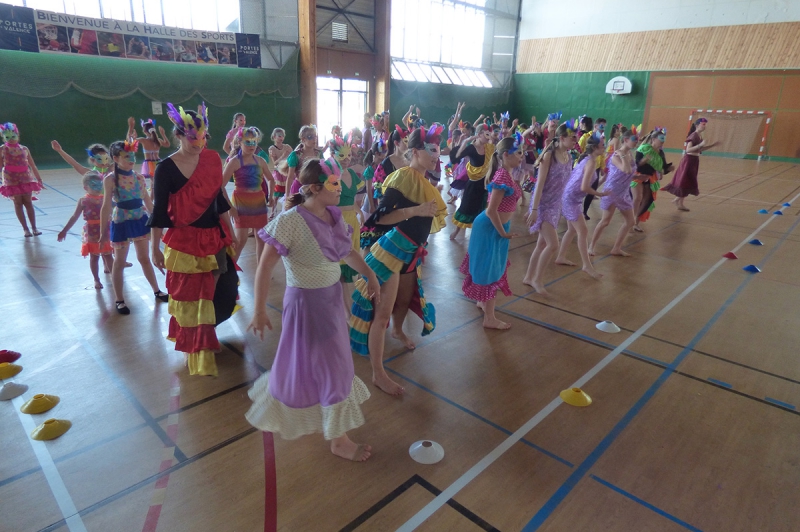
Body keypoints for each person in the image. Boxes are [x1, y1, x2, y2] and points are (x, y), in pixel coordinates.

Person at [246, 158, 380, 462]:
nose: (341, 188)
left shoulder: (334, 216)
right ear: (315, 188)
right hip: (306, 305)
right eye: (335, 183)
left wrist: (369, 274)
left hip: (330, 300)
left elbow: (347, 252)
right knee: (332, 365)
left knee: (326, 363)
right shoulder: (290, 220)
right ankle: (339, 439)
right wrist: (258, 310)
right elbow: (265, 267)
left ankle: (335, 430)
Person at [350, 126, 447, 395]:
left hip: (412, 252)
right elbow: (380, 218)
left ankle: (398, 331)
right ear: (415, 152)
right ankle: (378, 373)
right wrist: (416, 210)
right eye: (433, 151)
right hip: (393, 251)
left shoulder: (425, 180)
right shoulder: (402, 177)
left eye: (439, 151)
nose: (437, 156)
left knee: (404, 300)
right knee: (382, 314)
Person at [149, 103, 239, 377]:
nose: (199, 143)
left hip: (214, 237)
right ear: (178, 135)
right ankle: (198, 346)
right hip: (186, 243)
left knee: (218, 291)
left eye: (203, 138)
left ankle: (206, 335)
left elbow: (219, 199)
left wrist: (231, 230)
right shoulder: (165, 169)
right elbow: (159, 209)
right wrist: (155, 246)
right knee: (193, 297)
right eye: (192, 138)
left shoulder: (212, 160)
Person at [460, 135, 522, 329]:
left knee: (494, 267)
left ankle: (483, 304)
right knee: (490, 271)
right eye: (518, 152)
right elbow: (491, 210)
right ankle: (489, 318)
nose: (522, 156)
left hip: (498, 228)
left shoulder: (509, 174)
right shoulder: (503, 175)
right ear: (506, 155)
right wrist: (502, 233)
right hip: (490, 228)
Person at [99, 140, 168, 314]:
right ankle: (119, 299)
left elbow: (148, 202)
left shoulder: (138, 177)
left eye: (132, 155)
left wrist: (160, 224)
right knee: (119, 262)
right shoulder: (111, 179)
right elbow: (106, 205)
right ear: (115, 158)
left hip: (139, 219)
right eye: (126, 156)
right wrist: (102, 233)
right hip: (121, 221)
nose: (131, 159)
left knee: (144, 258)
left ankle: (156, 290)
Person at [522, 121, 577, 295]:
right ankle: (537, 279)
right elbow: (539, 184)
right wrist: (534, 209)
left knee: (542, 243)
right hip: (543, 204)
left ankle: (529, 277)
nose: (576, 140)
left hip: (556, 204)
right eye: (573, 137)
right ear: (562, 138)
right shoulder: (549, 156)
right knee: (553, 244)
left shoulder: (569, 156)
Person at [555, 132, 607, 279]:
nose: (605, 147)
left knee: (572, 230)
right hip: (571, 198)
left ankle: (561, 256)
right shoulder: (590, 162)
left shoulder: (589, 159)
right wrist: (600, 194)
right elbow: (584, 187)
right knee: (582, 231)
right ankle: (587, 265)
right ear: (596, 147)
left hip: (573, 198)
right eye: (603, 145)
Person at [57, 171, 114, 288]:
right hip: (92, 232)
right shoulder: (83, 201)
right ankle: (96, 279)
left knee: (108, 255)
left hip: (106, 230)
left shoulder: (106, 198)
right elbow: (74, 216)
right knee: (94, 257)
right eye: (94, 185)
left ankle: (115, 276)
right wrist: (64, 230)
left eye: (100, 185)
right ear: (85, 187)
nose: (98, 188)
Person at [224, 127, 272, 261]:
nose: (252, 145)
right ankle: (230, 271)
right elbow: (220, 186)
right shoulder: (234, 161)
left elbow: (271, 179)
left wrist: (271, 197)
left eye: (254, 141)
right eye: (248, 142)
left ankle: (261, 269)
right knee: (240, 240)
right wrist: (230, 207)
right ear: (240, 143)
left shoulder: (260, 160)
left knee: (261, 238)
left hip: (258, 202)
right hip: (241, 202)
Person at [589, 130, 638, 257]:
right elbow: (626, 170)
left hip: (624, 192)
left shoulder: (630, 154)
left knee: (630, 221)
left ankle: (616, 248)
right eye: (634, 139)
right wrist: (622, 154)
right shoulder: (616, 156)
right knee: (605, 221)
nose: (636, 141)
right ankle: (591, 246)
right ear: (626, 140)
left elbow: (631, 172)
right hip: (612, 192)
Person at [450, 124, 495, 240]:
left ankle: (481, 232)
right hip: (473, 184)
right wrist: (463, 142)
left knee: (484, 209)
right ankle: (456, 231)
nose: (489, 137)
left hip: (485, 184)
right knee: (466, 208)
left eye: (489, 134)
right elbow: (455, 158)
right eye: (486, 134)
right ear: (479, 134)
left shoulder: (489, 147)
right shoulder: (471, 148)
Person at [662, 118, 717, 211]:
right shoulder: (693, 135)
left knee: (688, 181)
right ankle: (678, 202)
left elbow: (699, 150)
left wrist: (712, 145)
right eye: (703, 124)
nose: (705, 126)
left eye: (705, 124)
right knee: (685, 180)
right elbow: (688, 150)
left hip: (694, 160)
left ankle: (678, 201)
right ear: (697, 125)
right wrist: (700, 145)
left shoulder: (699, 136)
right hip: (688, 161)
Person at [1, 123, 44, 237]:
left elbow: (32, 165)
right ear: (3, 137)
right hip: (11, 179)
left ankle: (34, 228)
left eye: (13, 136)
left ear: (18, 135)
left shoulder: (24, 149)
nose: (11, 139)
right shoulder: (3, 149)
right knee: (18, 203)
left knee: (28, 202)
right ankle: (25, 229)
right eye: (7, 137)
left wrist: (38, 178)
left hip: (25, 178)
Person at [632, 127, 673, 232]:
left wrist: (668, 169)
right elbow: (636, 164)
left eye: (664, 139)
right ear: (653, 139)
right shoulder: (644, 148)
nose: (662, 142)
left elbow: (663, 168)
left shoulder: (661, 153)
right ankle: (630, 220)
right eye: (661, 139)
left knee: (647, 200)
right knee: (638, 198)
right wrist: (643, 161)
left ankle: (635, 222)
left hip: (650, 177)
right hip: (638, 175)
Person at [127, 117, 170, 195]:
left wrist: (131, 127)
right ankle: (153, 199)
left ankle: (154, 199)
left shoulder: (144, 140)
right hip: (158, 163)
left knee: (154, 183)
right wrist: (163, 134)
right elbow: (167, 144)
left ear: (144, 131)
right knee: (154, 182)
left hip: (149, 164)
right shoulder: (158, 140)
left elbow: (130, 143)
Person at [284, 125, 323, 195]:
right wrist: (287, 195)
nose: (314, 139)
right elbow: (290, 177)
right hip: (298, 188)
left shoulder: (319, 153)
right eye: (310, 137)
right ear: (303, 139)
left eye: (315, 136)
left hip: (315, 188)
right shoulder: (295, 155)